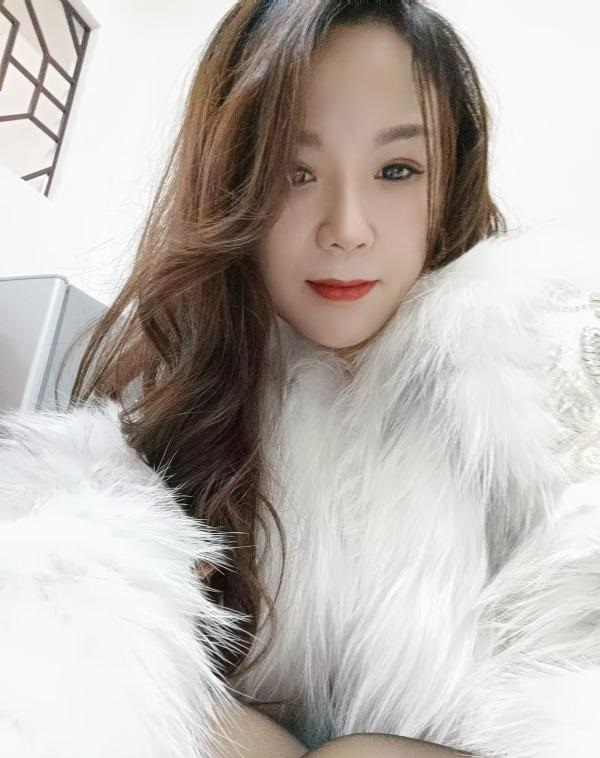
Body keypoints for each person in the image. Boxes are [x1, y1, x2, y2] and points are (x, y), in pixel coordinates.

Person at [1, 1, 600, 756]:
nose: (347, 227)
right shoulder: (156, 438)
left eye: (397, 170)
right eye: (295, 171)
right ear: (232, 185)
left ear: (447, 182)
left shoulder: (556, 376)